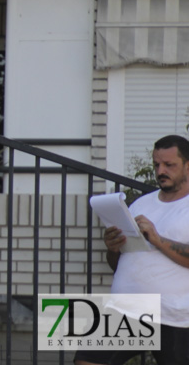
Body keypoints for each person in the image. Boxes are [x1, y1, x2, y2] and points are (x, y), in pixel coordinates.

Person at [75, 134, 189, 365]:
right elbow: (118, 265)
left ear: (188, 166)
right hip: (125, 307)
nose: (160, 171)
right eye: (156, 164)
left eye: (169, 165)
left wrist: (158, 240)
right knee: (87, 360)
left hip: (173, 315)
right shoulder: (141, 204)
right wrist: (113, 248)